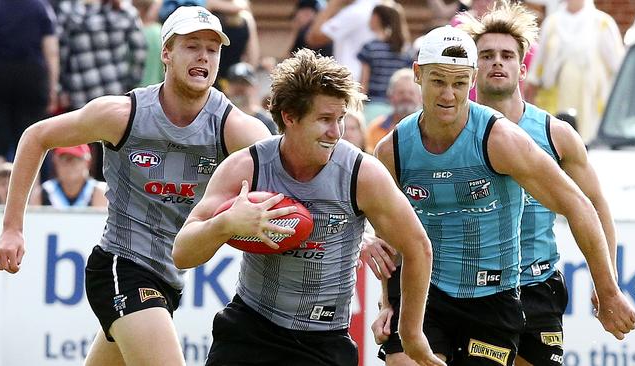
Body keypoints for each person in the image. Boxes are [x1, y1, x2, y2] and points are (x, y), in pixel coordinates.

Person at [0, 6, 272, 366]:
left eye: (212, 49)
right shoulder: (124, 114)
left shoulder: (238, 128)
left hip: (169, 280)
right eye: (192, 45)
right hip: (119, 265)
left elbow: (283, 182)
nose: (204, 55)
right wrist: (12, 228)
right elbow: (35, 137)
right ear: (166, 53)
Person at [367, 25, 635, 365]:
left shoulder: (506, 139)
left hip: (499, 295)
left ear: (472, 78)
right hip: (428, 294)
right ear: (418, 74)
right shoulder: (392, 149)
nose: (448, 95)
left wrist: (608, 289)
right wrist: (387, 303)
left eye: (459, 83)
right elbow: (389, 236)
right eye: (438, 81)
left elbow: (581, 204)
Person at [172, 48, 444, 366]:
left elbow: (418, 248)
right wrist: (226, 223)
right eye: (325, 120)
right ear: (289, 116)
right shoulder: (248, 167)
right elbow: (182, 252)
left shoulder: (361, 174)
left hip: (324, 340)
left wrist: (409, 331)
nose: (336, 132)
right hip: (250, 329)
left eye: (340, 119)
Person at [459, 3, 633, 364]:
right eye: (486, 55)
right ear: (473, 71)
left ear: (523, 68)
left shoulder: (556, 135)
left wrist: (608, 282)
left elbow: (595, 205)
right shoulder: (452, 133)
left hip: (538, 287)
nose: (497, 62)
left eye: (507, 55)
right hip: (474, 289)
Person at [524, 0, 625, 143]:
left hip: (592, 107)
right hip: (557, 103)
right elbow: (536, 73)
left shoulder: (603, 23)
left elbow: (619, 72)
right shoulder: (552, 23)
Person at [0, 0, 59, 171]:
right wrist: (53, 88)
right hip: (32, 78)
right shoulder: (40, 7)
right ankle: (32, 197)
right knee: (31, 145)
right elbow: (51, 52)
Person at [365, 68, 421, 154]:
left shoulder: (430, 129)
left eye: (411, 93)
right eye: (401, 92)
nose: (406, 97)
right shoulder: (376, 128)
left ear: (420, 97)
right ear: (390, 96)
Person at [39, 145, 108, 208]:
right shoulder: (42, 193)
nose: (69, 165)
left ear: (87, 162)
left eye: (76, 159)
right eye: (64, 159)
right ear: (55, 162)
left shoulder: (101, 192)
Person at [224, 62, 279, 134]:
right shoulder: (219, 119)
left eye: (244, 83)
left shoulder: (266, 122)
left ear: (255, 87)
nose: (239, 88)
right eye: (235, 83)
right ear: (227, 87)